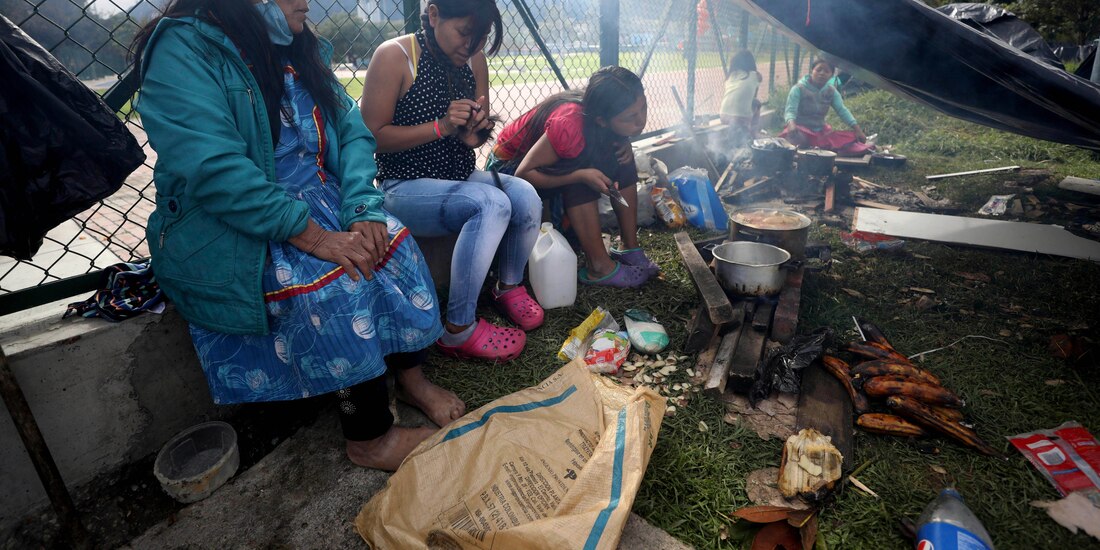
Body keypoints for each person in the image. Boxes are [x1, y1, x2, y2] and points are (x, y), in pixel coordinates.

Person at [133, 0, 465, 472]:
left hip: (320, 199)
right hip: (241, 222)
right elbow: (213, 170)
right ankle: (369, 437)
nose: (307, 2)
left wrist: (361, 205)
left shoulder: (298, 45)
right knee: (339, 279)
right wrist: (313, 237)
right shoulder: (183, 48)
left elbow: (352, 131)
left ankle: (410, 378)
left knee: (391, 244)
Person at [360, 0, 543, 362]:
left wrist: (474, 131)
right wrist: (440, 126)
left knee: (524, 194)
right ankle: (458, 330)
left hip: (457, 177)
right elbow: (371, 135)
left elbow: (470, 140)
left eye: (481, 38)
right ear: (432, 15)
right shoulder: (396, 56)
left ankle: (507, 286)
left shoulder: (474, 59)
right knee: (491, 203)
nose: (471, 46)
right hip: (404, 187)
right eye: (464, 33)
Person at [489, 66, 657, 289]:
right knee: (581, 175)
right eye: (630, 117)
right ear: (602, 121)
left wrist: (624, 140)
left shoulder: (598, 115)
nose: (641, 121)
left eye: (643, 108)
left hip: (544, 166)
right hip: (507, 170)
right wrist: (580, 175)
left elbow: (606, 139)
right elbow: (524, 173)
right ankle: (599, 267)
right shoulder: (569, 123)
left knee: (622, 157)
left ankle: (629, 248)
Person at [780, 58, 874, 157]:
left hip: (820, 132)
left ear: (831, 75)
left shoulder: (831, 91)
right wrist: (791, 124)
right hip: (800, 130)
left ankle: (819, 147)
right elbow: (790, 110)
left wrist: (857, 129)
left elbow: (842, 110)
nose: (822, 73)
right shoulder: (798, 89)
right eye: (818, 70)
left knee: (849, 140)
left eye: (826, 71)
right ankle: (816, 148)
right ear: (812, 70)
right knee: (797, 139)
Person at [719, 50, 762, 146]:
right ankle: (753, 133)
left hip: (723, 116)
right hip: (741, 119)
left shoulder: (729, 77)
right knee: (757, 104)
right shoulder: (755, 75)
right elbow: (753, 96)